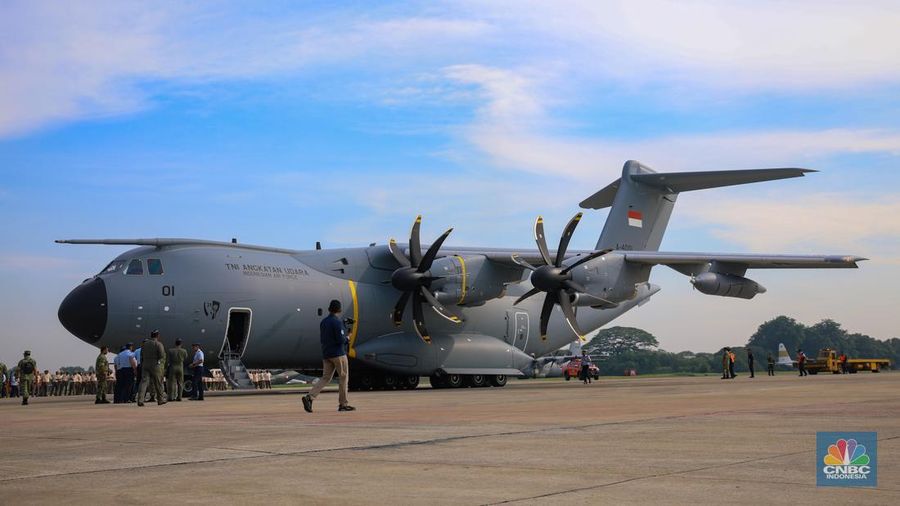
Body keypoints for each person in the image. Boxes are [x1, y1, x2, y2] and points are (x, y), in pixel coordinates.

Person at [302, 299, 355, 413]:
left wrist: (343, 325)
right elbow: (340, 340)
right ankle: (343, 404)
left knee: (325, 378)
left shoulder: (324, 322)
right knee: (343, 378)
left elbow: (329, 335)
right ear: (339, 309)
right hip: (338, 354)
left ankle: (310, 397)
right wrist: (348, 336)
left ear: (329, 309)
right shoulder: (337, 322)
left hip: (327, 354)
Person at [137, 330, 167, 407]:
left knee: (144, 382)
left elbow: (141, 354)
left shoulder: (145, 344)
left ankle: (140, 400)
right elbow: (161, 355)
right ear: (158, 336)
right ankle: (160, 400)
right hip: (155, 365)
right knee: (158, 382)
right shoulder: (158, 344)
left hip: (145, 364)